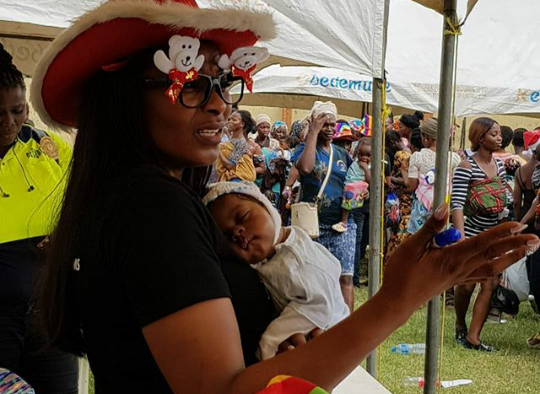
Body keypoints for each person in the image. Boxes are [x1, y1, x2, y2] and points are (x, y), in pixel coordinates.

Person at [32, 1, 538, 393]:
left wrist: (284, 347)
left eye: (224, 82)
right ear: (122, 97)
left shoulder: (129, 199)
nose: (216, 105)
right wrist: (399, 297)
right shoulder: (151, 206)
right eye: (188, 84)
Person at [0, 44, 78, 393]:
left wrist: (66, 232)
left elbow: (82, 202)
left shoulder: (51, 148)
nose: (8, 123)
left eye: (17, 110)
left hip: (49, 313)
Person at [203, 181, 349, 360]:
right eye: (227, 237)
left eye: (242, 216)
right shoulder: (275, 254)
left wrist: (268, 344)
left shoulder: (296, 259)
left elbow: (319, 306)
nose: (237, 232)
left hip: (331, 343)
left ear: (264, 205)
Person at [292, 101, 358, 312]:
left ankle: (347, 327)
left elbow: (351, 180)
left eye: (332, 124)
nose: (329, 129)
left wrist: (359, 193)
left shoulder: (342, 154)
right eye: (324, 124)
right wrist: (313, 132)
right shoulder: (303, 148)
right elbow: (306, 167)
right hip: (313, 226)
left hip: (341, 223)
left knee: (345, 276)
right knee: (314, 277)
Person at [451, 117, 508, 352]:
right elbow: (456, 204)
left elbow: (501, 203)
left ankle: (474, 337)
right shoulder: (466, 166)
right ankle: (460, 325)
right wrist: (461, 238)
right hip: (471, 233)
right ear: (480, 137)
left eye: (499, 134)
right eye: (494, 134)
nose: (499, 138)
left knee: (490, 282)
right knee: (466, 286)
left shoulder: (501, 167)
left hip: (493, 234)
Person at [403, 118, 460, 234]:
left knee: (420, 242)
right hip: (445, 208)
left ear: (426, 138)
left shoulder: (417, 157)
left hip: (422, 210)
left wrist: (404, 171)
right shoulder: (454, 158)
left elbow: (411, 187)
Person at [332, 138, 370, 233]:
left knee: (348, 203)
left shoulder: (369, 166)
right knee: (346, 203)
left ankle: (344, 222)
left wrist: (365, 169)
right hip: (349, 185)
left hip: (359, 188)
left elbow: (370, 181)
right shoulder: (355, 161)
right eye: (361, 155)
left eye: (368, 155)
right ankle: (344, 222)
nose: (364, 158)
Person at [386, 130, 413, 257]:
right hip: (409, 199)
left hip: (402, 199)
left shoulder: (400, 155)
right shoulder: (410, 152)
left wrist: (390, 179)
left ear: (392, 142)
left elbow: (405, 180)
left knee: (398, 229)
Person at [216, 110, 257, 182]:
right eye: (229, 119)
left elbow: (230, 166)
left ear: (242, 124)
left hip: (236, 181)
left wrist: (218, 150)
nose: (230, 121)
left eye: (234, 120)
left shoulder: (241, 143)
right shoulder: (232, 140)